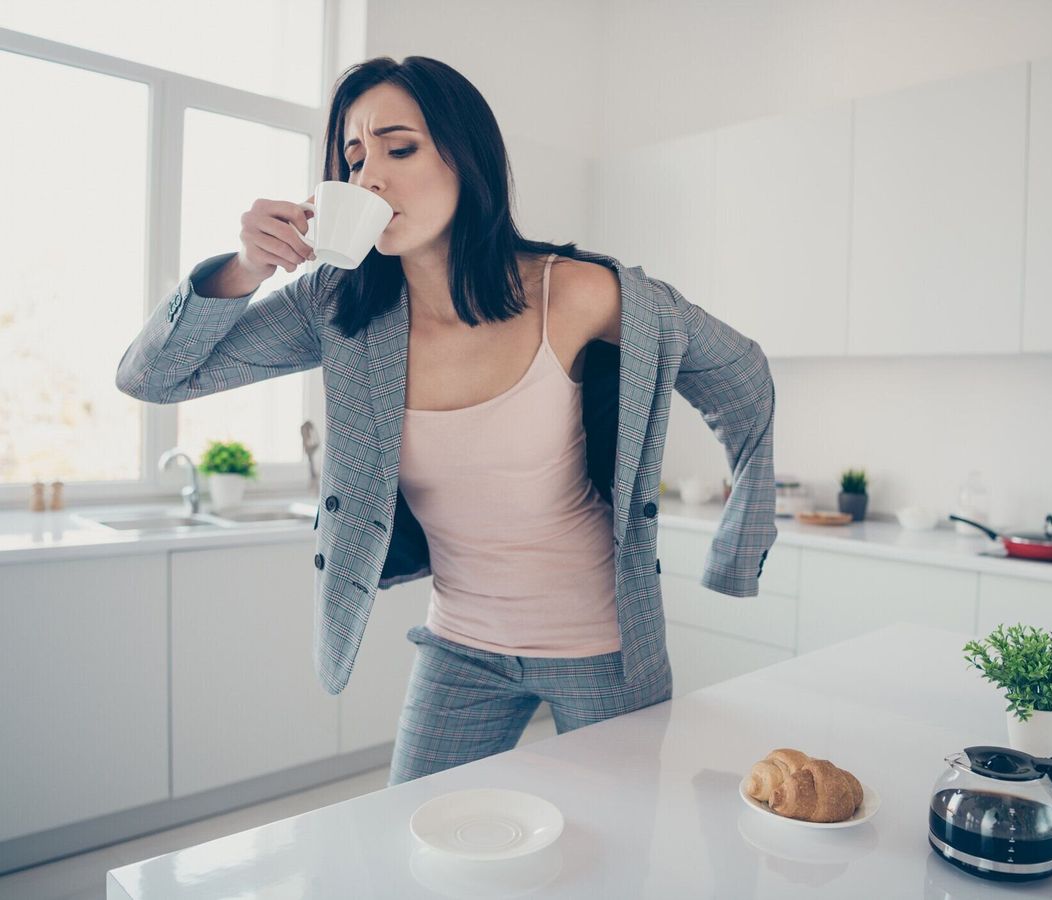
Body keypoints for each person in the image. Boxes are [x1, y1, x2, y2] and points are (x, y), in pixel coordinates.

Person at [115, 56, 777, 786]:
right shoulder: (336, 306)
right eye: (353, 159)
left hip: (603, 647)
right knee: (413, 834)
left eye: (399, 149)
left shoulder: (578, 293)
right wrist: (243, 268)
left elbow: (743, 377)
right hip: (459, 646)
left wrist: (736, 546)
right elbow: (153, 376)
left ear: (467, 158)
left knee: (613, 843)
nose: (369, 178)